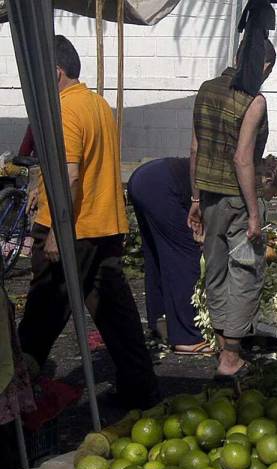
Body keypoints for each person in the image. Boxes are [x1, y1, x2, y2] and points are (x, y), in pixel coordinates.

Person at [17, 37, 160, 409]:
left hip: (72, 227)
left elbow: (71, 175)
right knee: (117, 316)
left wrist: (54, 232)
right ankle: (140, 389)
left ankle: (15, 399)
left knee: (41, 315)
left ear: (55, 72)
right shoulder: (96, 103)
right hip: (104, 224)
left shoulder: (64, 109)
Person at [130, 155, 277, 354]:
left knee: (158, 256)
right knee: (184, 258)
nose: (273, 198)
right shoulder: (243, 178)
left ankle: (159, 321)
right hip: (162, 187)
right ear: (267, 179)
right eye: (275, 192)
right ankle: (187, 338)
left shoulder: (233, 169)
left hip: (144, 179)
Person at [188, 37, 275, 379]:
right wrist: (254, 213)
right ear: (264, 66)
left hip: (209, 196)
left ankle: (224, 345)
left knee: (217, 269)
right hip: (239, 199)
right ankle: (230, 357)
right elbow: (243, 159)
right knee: (245, 273)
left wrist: (195, 199)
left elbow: (195, 149)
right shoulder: (254, 100)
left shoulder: (206, 89)